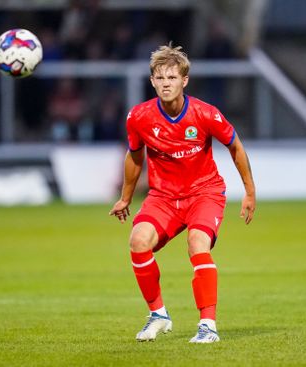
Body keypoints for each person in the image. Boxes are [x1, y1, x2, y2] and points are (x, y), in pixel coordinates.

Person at [109, 44, 256, 343]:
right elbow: (134, 156)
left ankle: (208, 326)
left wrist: (250, 192)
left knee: (197, 244)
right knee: (138, 241)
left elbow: (235, 146)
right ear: (152, 81)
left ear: (184, 81)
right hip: (163, 197)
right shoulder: (139, 117)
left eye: (172, 78)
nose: (166, 83)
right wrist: (126, 196)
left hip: (204, 193)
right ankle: (159, 315)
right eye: (160, 78)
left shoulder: (205, 114)